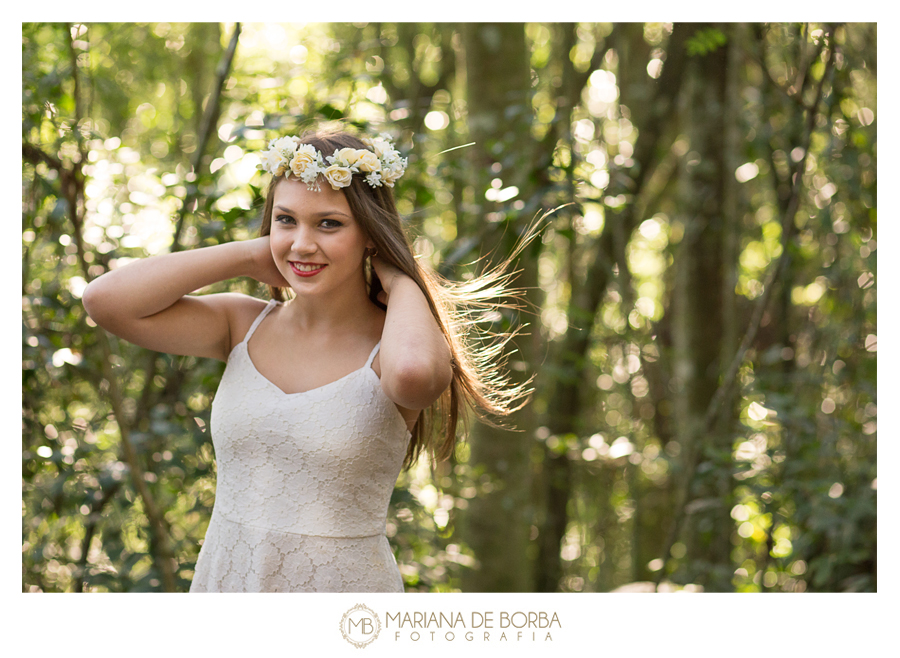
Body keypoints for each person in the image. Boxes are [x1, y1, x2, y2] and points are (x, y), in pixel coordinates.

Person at [82, 126, 532, 593]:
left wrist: (400, 280)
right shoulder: (242, 324)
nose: (302, 244)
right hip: (230, 583)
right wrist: (248, 253)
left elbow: (414, 378)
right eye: (286, 220)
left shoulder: (395, 345)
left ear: (371, 235)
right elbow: (105, 301)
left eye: (329, 223)